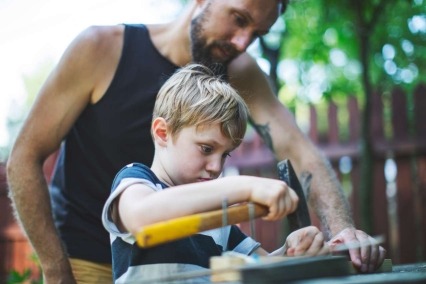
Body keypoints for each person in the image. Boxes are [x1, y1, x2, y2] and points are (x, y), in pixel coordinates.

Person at [6, 0, 385, 283]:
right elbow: (24, 158)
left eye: (257, 34)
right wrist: (57, 272)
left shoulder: (239, 71)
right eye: (239, 18)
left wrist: (338, 236)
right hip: (83, 258)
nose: (242, 41)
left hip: (186, 263)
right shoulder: (102, 48)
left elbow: (301, 154)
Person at [101, 63, 329, 283]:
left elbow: (261, 267)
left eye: (225, 155)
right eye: (206, 149)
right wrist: (244, 187)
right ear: (162, 133)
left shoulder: (215, 217)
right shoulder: (137, 180)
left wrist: (292, 253)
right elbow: (140, 216)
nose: (216, 167)